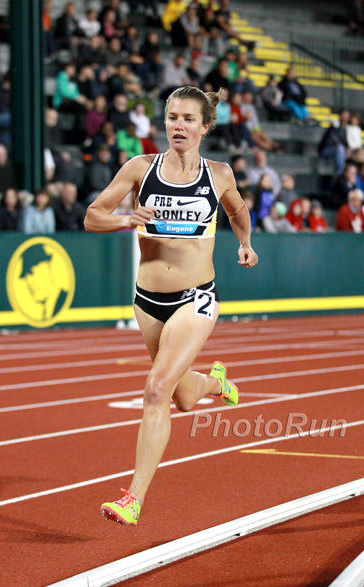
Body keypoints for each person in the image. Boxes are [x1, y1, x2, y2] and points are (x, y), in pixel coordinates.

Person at [84, 85, 258, 525]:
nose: (178, 126)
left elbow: (238, 212)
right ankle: (215, 382)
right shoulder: (140, 168)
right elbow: (92, 216)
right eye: (172, 117)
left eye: (188, 119)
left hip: (195, 298)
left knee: (156, 389)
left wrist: (245, 243)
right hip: (147, 301)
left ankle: (133, 499)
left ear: (205, 126)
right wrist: (125, 219)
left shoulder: (218, 174)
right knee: (181, 397)